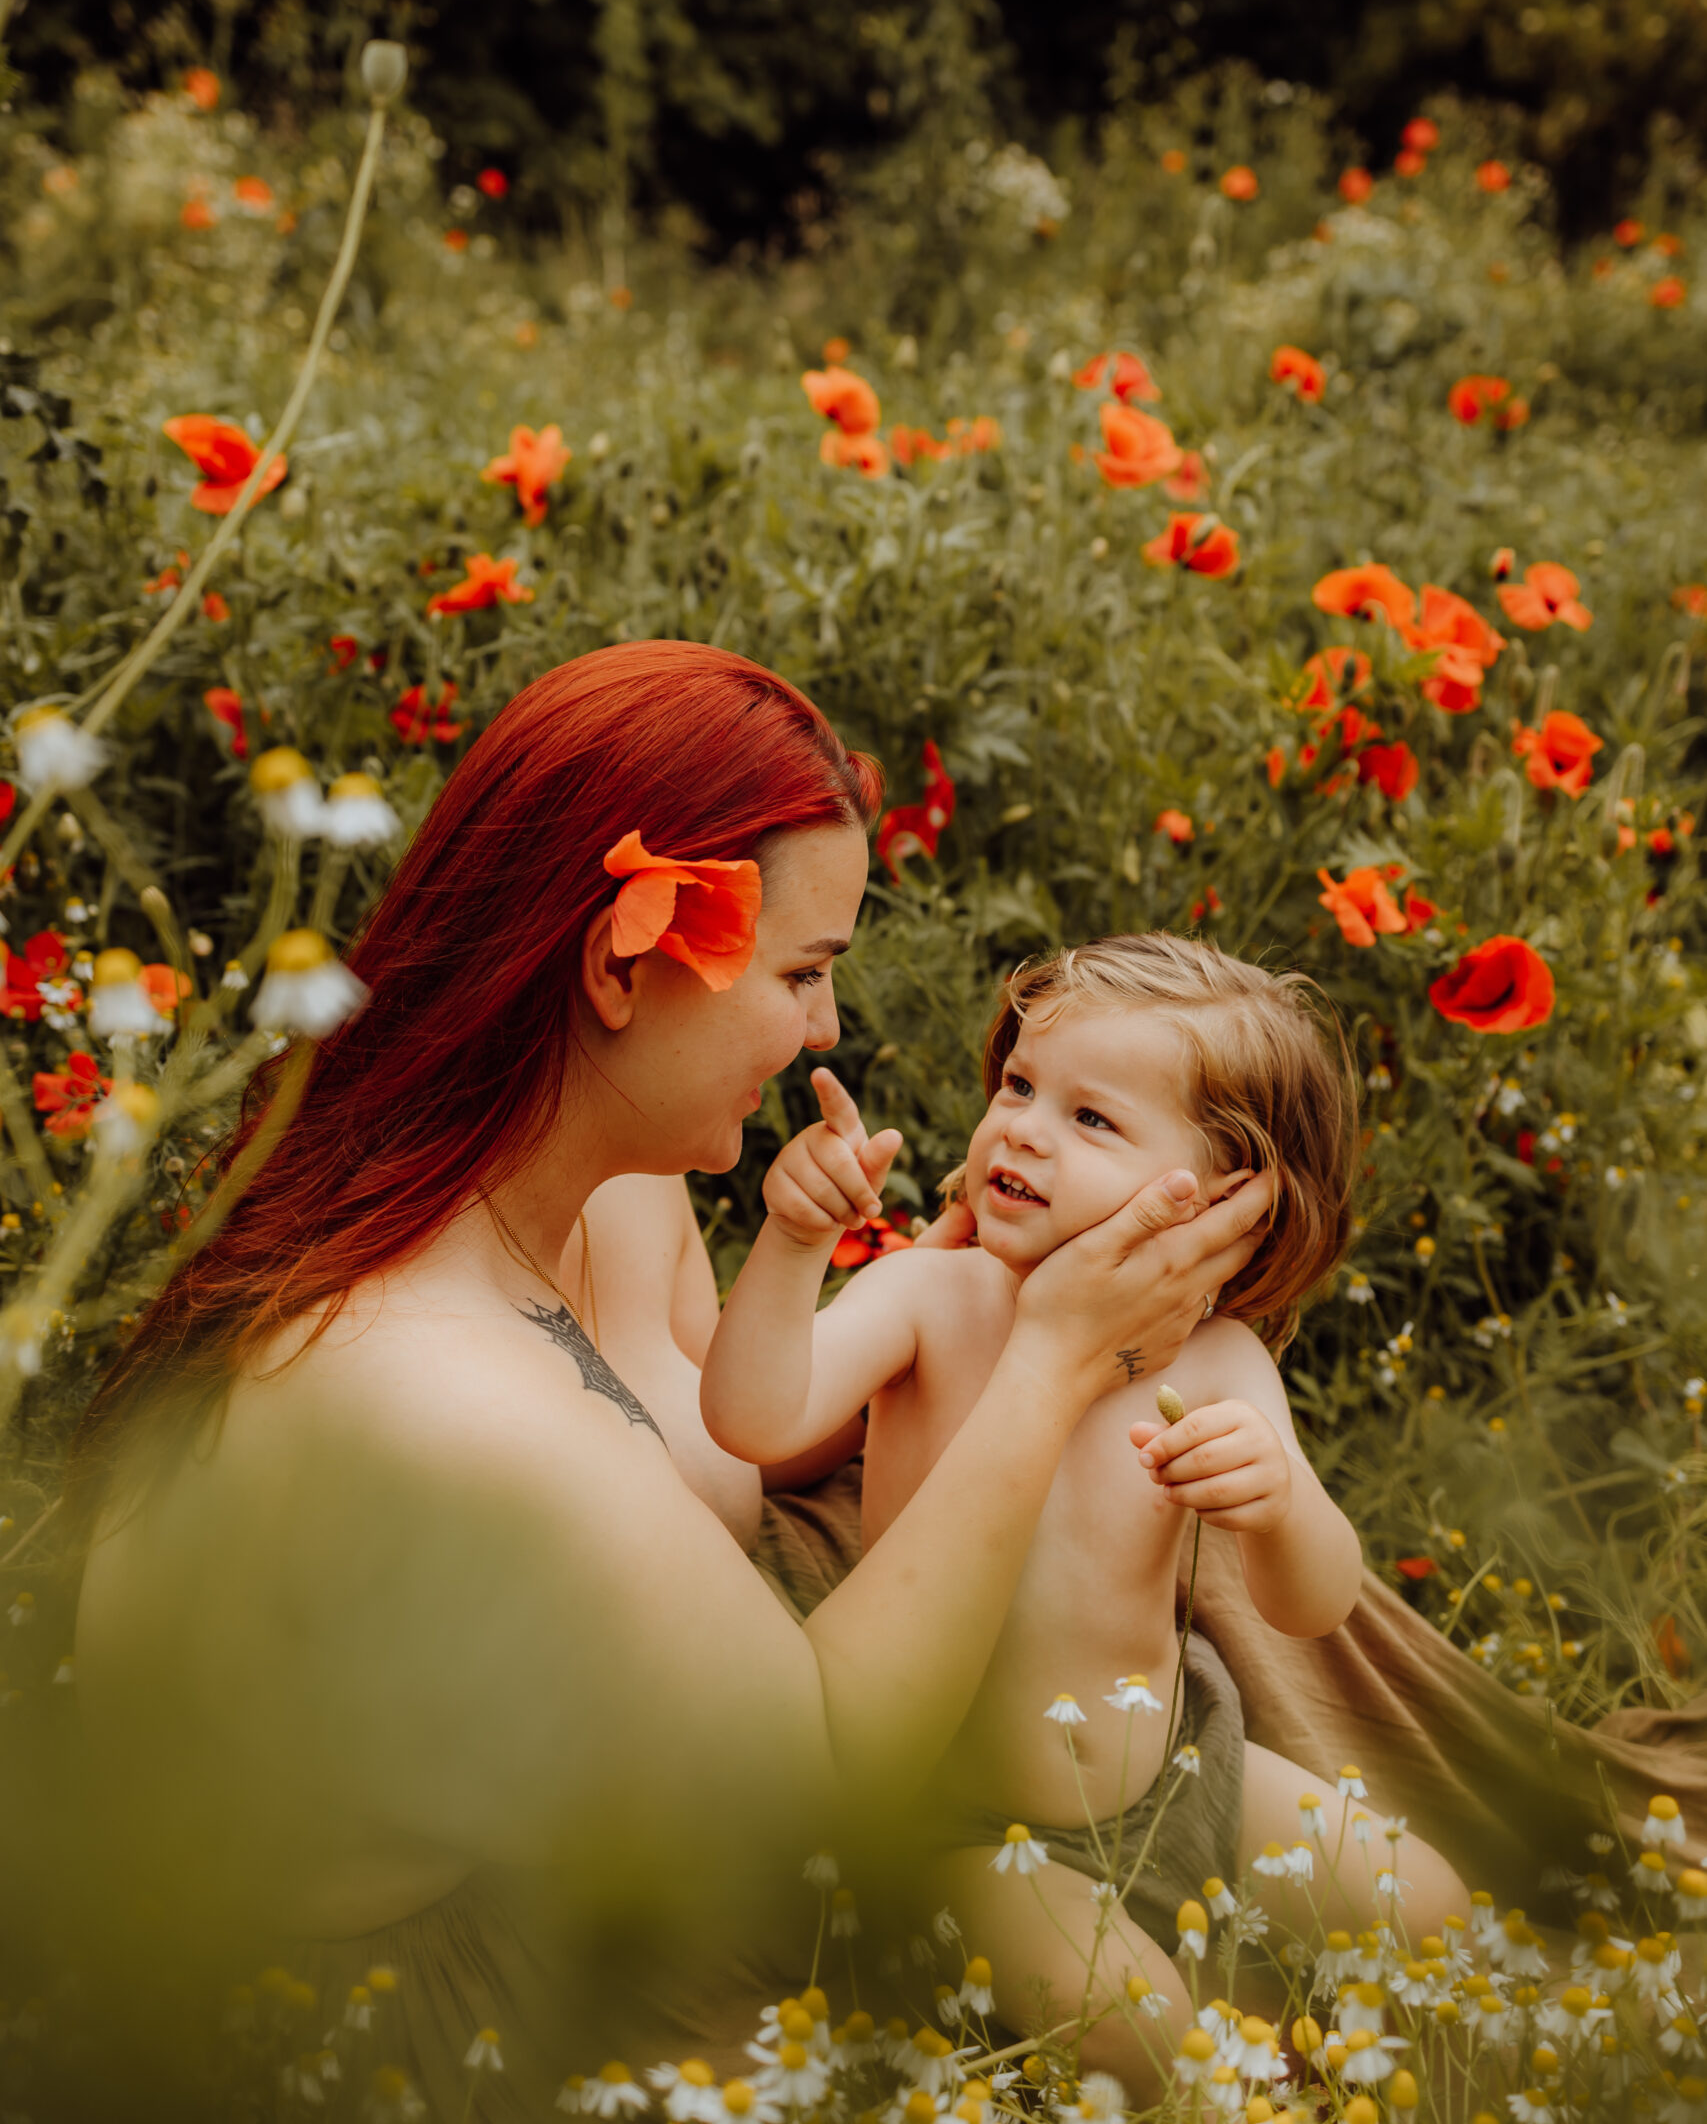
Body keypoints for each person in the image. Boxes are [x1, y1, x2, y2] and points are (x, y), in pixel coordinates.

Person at [67, 646, 1274, 2120]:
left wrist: (957, 1296)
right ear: (619, 964)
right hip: (417, 2024)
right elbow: (816, 1790)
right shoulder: (425, 1381)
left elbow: (749, 1431)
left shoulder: (586, 1194)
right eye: (802, 974)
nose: (823, 1029)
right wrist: (1049, 1360)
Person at [700, 932, 1472, 2091]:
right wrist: (795, 1241)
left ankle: (1322, 2028)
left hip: (1181, 1775)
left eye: (1092, 1119)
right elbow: (752, 1419)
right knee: (1133, 2024)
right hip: (971, 1832)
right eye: (1018, 1084)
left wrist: (1281, 1501)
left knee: (1433, 1907)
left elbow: (1308, 1606)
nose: (1020, 1126)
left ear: (1219, 1204)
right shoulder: (935, 1295)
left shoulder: (1216, 1357)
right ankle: (1237, 2065)